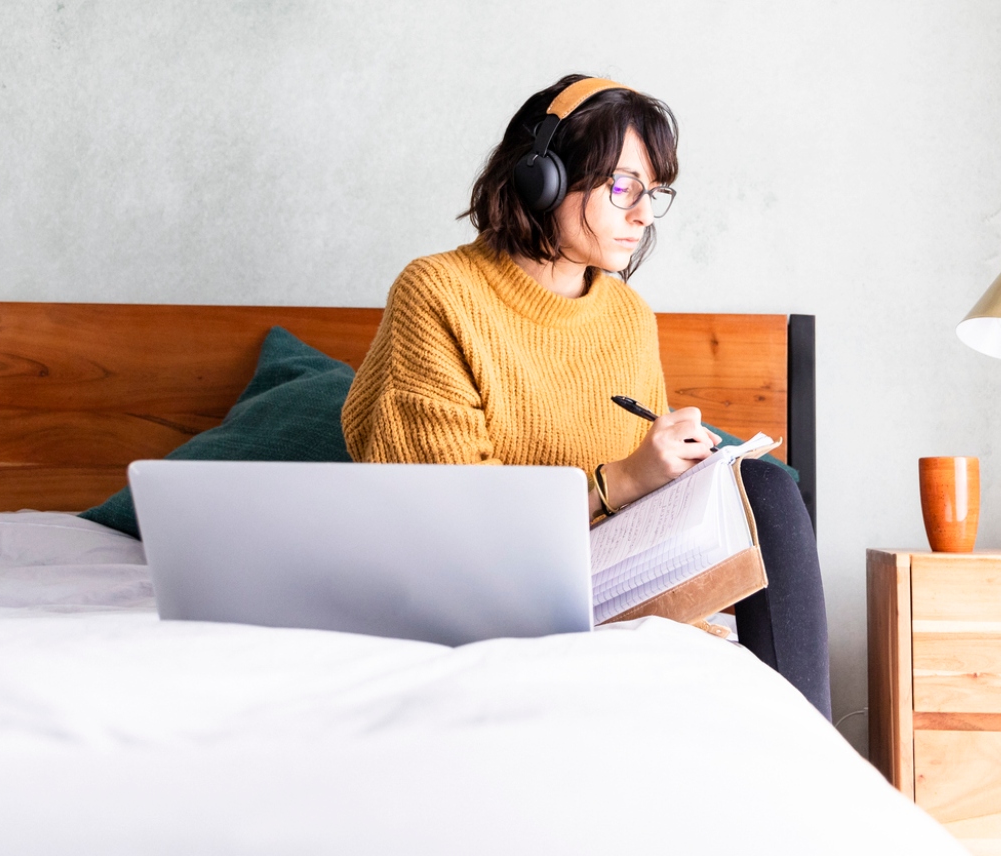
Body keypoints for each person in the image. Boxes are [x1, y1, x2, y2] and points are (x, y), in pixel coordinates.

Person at [342, 74, 829, 715]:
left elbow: (644, 505)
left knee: (764, 488)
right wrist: (622, 480)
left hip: (602, 580)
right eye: (622, 187)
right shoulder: (438, 292)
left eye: (653, 193)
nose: (645, 214)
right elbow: (452, 522)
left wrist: (683, 476)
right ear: (540, 176)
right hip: (477, 591)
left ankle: (807, 752)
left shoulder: (627, 316)